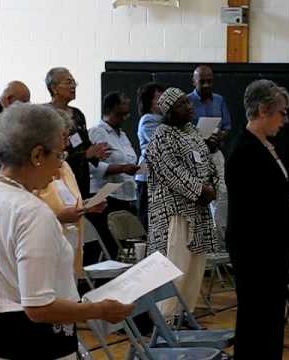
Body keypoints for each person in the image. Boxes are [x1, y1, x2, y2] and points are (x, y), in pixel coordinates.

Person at [0, 103, 134, 360]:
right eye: (59, 156)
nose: (60, 167)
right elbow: (39, 308)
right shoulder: (32, 212)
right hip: (35, 345)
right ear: (37, 155)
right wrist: (101, 310)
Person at [225, 79, 289, 360]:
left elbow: (272, 194)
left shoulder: (265, 146)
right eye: (282, 112)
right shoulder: (244, 149)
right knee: (257, 318)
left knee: (270, 318)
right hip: (254, 246)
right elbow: (253, 205)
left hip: (272, 242)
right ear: (264, 110)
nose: (286, 119)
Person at [146, 87, 219, 319]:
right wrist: (200, 190)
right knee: (174, 267)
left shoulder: (193, 133)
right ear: (168, 111)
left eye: (188, 103)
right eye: (182, 104)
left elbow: (210, 164)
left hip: (198, 209)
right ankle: (165, 320)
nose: (189, 107)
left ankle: (185, 317)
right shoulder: (162, 135)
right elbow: (171, 171)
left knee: (194, 268)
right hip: (175, 213)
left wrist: (213, 186)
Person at [36, 110, 106, 278]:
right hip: (45, 249)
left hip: (71, 247)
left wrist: (87, 206)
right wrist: (58, 217)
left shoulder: (65, 167)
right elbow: (29, 214)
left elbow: (69, 201)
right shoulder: (33, 171)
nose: (68, 144)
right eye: (64, 137)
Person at [87, 92, 139, 260]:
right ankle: (100, 283)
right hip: (107, 196)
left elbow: (130, 158)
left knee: (120, 246)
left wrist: (132, 168)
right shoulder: (97, 132)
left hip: (126, 195)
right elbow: (93, 166)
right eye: (120, 114)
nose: (125, 117)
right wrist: (122, 168)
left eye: (126, 114)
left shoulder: (122, 134)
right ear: (109, 110)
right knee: (106, 244)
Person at [45, 67, 110, 199]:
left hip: (81, 178)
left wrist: (96, 152)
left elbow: (85, 144)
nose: (73, 86)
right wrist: (85, 154)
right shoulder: (45, 114)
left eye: (74, 83)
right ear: (54, 87)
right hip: (58, 179)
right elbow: (48, 153)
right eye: (68, 82)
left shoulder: (78, 114)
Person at [188, 65, 232, 241]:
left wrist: (220, 136)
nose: (206, 85)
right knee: (200, 196)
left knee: (222, 195)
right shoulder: (186, 101)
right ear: (194, 81)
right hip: (196, 156)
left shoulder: (219, 100)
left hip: (215, 153)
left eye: (209, 81)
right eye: (202, 81)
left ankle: (220, 240)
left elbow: (227, 126)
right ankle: (201, 238)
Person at [135, 82, 165, 230]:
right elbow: (159, 143)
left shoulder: (164, 119)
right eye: (158, 98)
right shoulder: (148, 119)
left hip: (159, 175)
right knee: (148, 219)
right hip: (147, 174)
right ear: (150, 101)